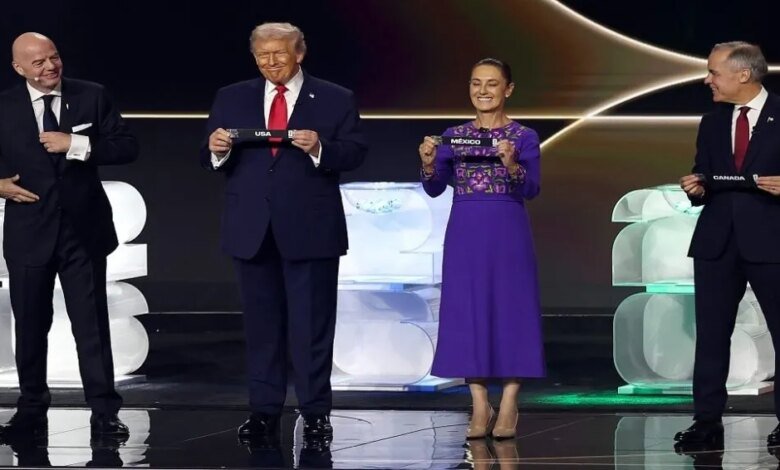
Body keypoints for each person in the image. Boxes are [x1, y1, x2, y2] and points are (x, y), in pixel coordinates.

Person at [201, 22, 366, 441]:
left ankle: (315, 413)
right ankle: (263, 412)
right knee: (261, 329)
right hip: (251, 229)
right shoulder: (231, 96)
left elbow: (355, 152)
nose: (271, 62)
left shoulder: (335, 97)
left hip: (310, 230)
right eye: (263, 55)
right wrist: (215, 150)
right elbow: (208, 156)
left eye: (279, 53)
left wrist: (320, 148)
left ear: (300, 53)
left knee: (312, 329)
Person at [0, 32, 138, 439]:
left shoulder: (91, 95)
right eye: (38, 62)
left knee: (91, 325)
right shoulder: (4, 106)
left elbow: (126, 147)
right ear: (19, 68)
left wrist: (76, 143)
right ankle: (30, 410)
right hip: (29, 233)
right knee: (30, 325)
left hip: (83, 233)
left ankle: (104, 412)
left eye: (54, 57)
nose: (50, 67)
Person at [418, 58, 545, 440]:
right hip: (465, 231)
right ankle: (478, 403)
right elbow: (434, 187)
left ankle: (509, 402)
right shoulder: (453, 135)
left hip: (508, 230)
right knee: (467, 311)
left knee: (512, 310)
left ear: (508, 89)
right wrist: (428, 163)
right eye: (476, 83)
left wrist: (512, 163)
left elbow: (532, 189)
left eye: (492, 83)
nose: (483, 91)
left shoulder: (524, 136)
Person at [676, 41, 780, 447]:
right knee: (711, 336)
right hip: (717, 241)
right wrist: (696, 186)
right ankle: (707, 423)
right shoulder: (712, 122)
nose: (707, 80)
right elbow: (704, 172)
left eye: (714, 72)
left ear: (744, 74)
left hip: (771, 240)